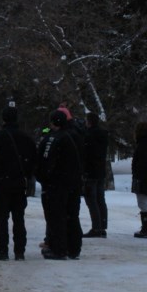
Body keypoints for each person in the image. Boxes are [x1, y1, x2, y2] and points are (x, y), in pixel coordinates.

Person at [0, 104, 36, 260]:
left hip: (1, 184)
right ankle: (19, 251)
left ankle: (2, 250)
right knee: (19, 219)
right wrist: (26, 175)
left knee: (1, 220)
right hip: (19, 184)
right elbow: (33, 160)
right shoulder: (26, 138)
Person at [37, 109, 84, 260]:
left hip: (57, 184)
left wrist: (43, 178)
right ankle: (74, 248)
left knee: (56, 216)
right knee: (72, 216)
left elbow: (44, 161)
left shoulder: (52, 138)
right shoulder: (75, 136)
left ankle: (58, 248)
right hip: (74, 183)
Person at [81, 112, 109, 238]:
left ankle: (96, 227)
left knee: (91, 200)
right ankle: (102, 226)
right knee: (100, 199)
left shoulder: (88, 135)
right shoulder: (103, 134)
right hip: (100, 170)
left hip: (90, 170)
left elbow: (86, 153)